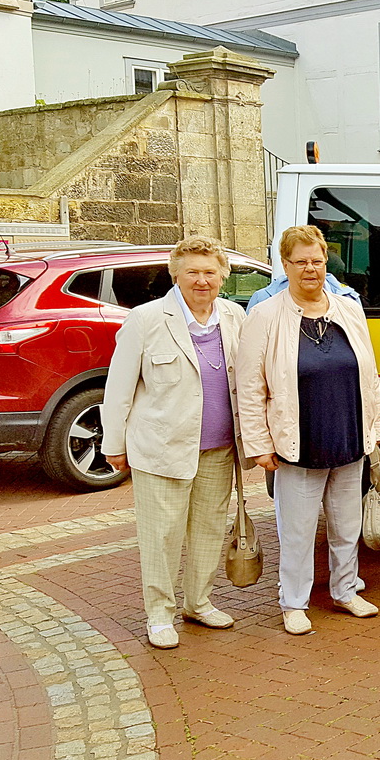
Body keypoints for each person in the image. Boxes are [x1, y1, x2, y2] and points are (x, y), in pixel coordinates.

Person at [102, 236, 249, 650]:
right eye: (192, 272)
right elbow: (119, 388)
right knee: (161, 535)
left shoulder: (234, 316)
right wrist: (114, 444)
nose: (201, 281)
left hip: (219, 449)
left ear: (223, 274)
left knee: (207, 530)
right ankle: (160, 615)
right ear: (176, 275)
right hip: (161, 449)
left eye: (209, 272)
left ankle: (198, 602)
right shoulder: (147, 320)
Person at [237, 225, 380, 636]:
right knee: (298, 532)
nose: (310, 269)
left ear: (327, 263)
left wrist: (372, 429)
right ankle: (294, 602)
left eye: (316, 261)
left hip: (349, 438)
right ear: (285, 266)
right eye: (300, 262)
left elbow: (367, 376)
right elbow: (250, 388)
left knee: (345, 526)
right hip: (296, 444)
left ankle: (345, 590)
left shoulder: (348, 309)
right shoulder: (265, 315)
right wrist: (259, 445)